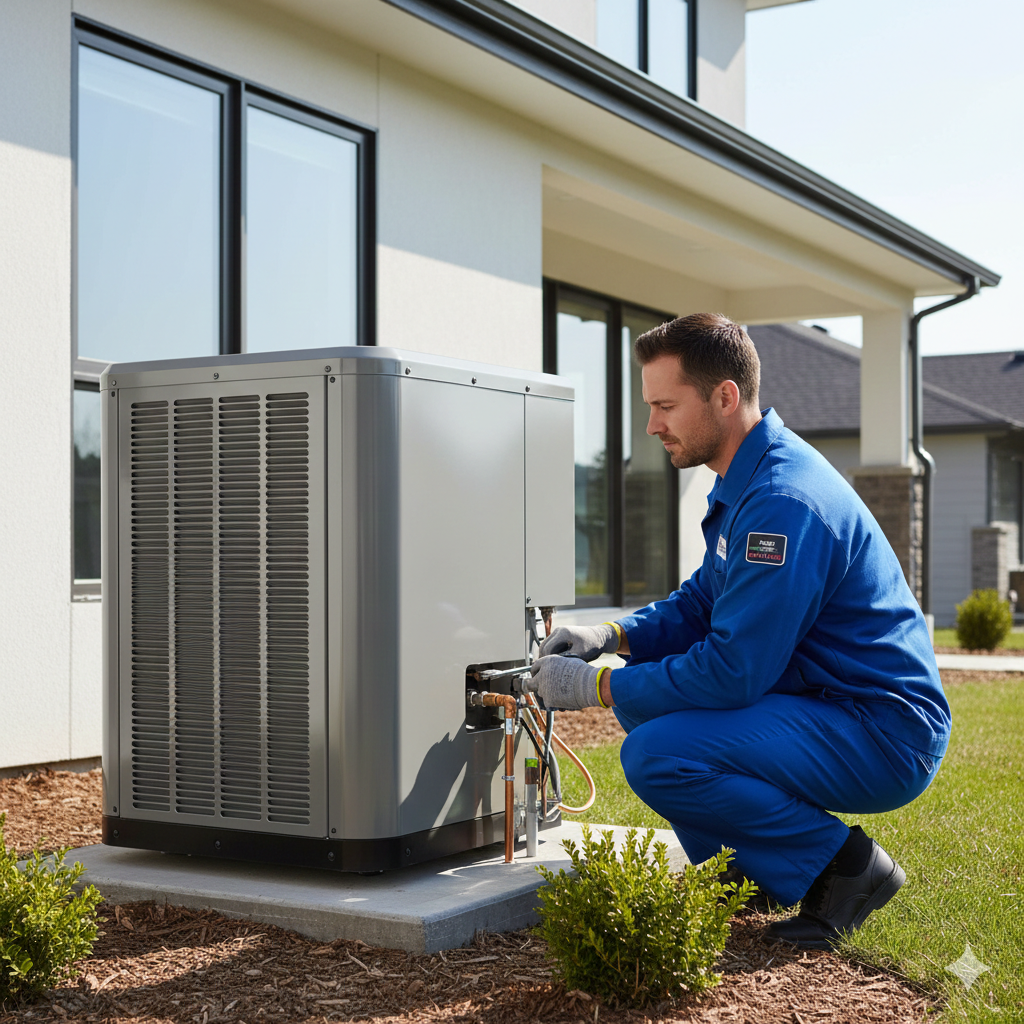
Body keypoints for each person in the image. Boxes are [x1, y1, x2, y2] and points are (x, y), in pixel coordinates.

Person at [524, 312, 949, 950]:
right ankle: (744, 875)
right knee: (657, 722)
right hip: (830, 702)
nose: (651, 425)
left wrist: (598, 688)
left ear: (725, 397)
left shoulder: (782, 501)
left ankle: (847, 867)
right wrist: (610, 634)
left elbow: (731, 671)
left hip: (882, 729)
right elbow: (702, 602)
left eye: (666, 405)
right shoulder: (748, 479)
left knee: (656, 752)